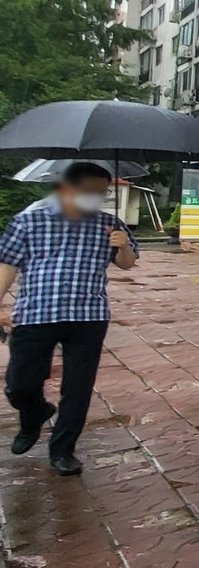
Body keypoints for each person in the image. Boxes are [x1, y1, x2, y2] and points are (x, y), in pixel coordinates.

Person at [0, 162, 138, 476]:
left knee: (78, 387)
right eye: (88, 192)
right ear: (67, 188)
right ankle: (34, 414)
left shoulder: (109, 224)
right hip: (36, 313)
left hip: (88, 317)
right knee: (19, 385)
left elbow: (127, 264)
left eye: (102, 193)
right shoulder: (28, 221)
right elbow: (6, 264)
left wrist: (123, 244)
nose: (96, 198)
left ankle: (63, 450)